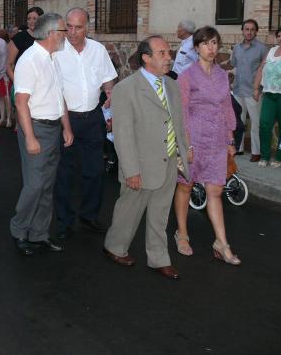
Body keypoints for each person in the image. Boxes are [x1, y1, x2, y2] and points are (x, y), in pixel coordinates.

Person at [103, 36, 189, 280]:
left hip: (168, 161)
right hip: (139, 164)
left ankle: (159, 258)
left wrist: (183, 151)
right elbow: (123, 133)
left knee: (160, 215)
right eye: (161, 53)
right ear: (146, 58)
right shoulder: (126, 89)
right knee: (129, 211)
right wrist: (131, 170)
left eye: (168, 52)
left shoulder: (171, 85)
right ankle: (114, 246)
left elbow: (177, 123)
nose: (168, 57)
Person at [172, 26, 240, 265]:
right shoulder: (187, 75)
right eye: (205, 43)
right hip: (194, 139)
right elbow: (180, 111)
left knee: (215, 191)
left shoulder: (222, 75)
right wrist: (186, 145)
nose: (210, 48)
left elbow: (226, 106)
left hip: (218, 139)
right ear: (197, 47)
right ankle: (182, 233)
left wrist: (231, 138)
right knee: (185, 186)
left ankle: (221, 243)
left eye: (214, 43)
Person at [10, 13, 73, 256]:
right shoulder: (29, 60)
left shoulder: (53, 58)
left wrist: (66, 127)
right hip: (35, 128)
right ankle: (18, 229)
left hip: (53, 128)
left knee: (47, 186)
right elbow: (20, 101)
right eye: (63, 31)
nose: (66, 35)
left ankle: (39, 234)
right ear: (51, 34)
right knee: (35, 185)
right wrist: (30, 137)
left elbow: (60, 97)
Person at [53, 8, 118, 239]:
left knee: (95, 171)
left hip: (93, 118)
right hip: (65, 118)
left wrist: (110, 94)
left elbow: (107, 79)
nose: (72, 32)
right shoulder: (57, 51)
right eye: (68, 26)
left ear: (87, 27)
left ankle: (89, 215)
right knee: (64, 172)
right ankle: (64, 221)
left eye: (77, 27)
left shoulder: (98, 50)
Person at [253, 25, 281, 168]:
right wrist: (255, 88)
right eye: (279, 36)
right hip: (269, 95)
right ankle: (265, 156)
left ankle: (279, 157)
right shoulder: (271, 51)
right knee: (264, 124)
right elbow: (261, 68)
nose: (280, 38)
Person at [230, 19, 268, 161]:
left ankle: (256, 152)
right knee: (238, 121)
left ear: (256, 31)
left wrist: (258, 88)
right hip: (238, 89)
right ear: (243, 31)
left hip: (253, 91)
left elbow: (265, 70)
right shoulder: (237, 48)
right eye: (247, 29)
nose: (249, 32)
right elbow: (234, 65)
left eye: (252, 29)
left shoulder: (262, 48)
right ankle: (238, 148)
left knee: (255, 123)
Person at [6, 7, 44, 83]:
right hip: (23, 82)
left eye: (34, 18)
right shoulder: (19, 37)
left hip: (42, 83)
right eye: (29, 19)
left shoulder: (46, 37)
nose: (31, 21)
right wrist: (16, 82)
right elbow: (8, 65)